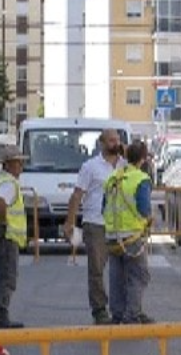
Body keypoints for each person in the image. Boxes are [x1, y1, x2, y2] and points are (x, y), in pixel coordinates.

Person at [63, 129, 124, 323]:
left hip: (120, 225)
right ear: (102, 143)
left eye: (118, 140)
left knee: (122, 269)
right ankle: (99, 310)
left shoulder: (125, 165)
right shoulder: (90, 167)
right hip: (95, 223)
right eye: (111, 140)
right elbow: (77, 194)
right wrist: (70, 221)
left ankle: (122, 309)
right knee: (97, 269)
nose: (116, 143)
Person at [102, 139, 155, 325]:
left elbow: (104, 207)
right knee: (138, 276)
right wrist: (149, 221)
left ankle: (117, 313)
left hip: (112, 236)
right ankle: (133, 314)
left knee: (117, 277)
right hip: (132, 236)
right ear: (143, 159)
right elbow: (144, 209)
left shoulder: (113, 178)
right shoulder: (141, 179)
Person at [0, 145, 29, 329]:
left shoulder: (3, 181)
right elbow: (0, 203)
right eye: (19, 163)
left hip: (1, 237)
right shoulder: (9, 183)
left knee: (2, 277)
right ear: (9, 165)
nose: (21, 167)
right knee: (7, 279)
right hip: (6, 237)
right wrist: (4, 224)